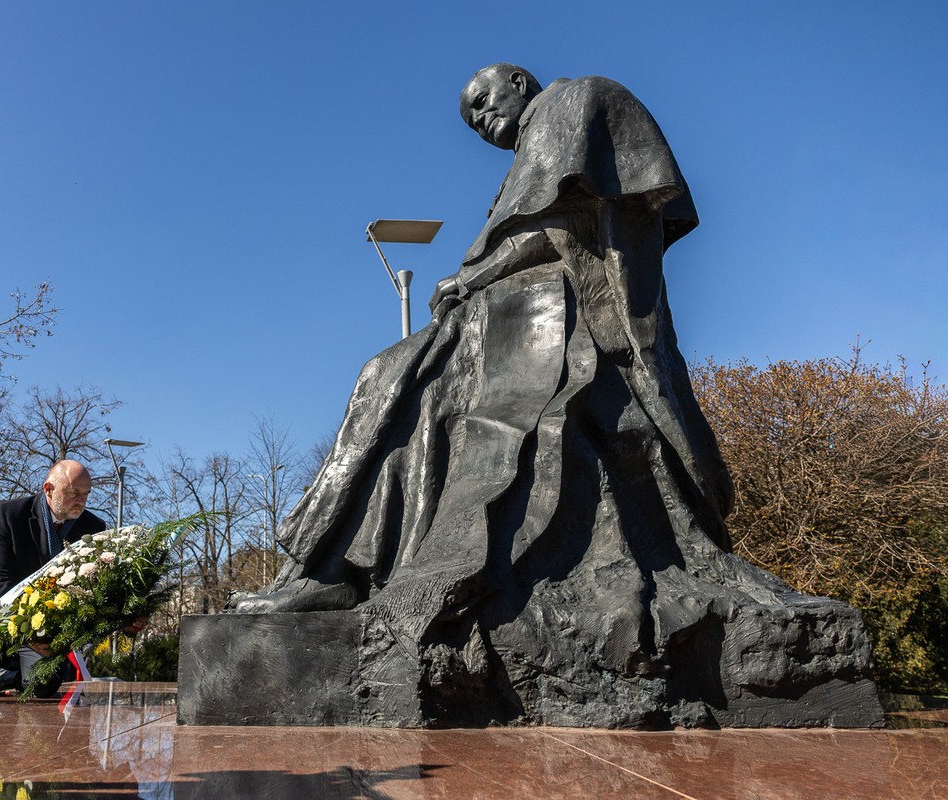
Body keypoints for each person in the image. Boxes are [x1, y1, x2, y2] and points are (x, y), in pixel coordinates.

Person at [234, 64, 747, 649]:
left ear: (519, 82)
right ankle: (328, 569)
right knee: (390, 381)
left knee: (399, 380)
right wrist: (472, 284)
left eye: (482, 102)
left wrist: (469, 278)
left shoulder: (574, 102)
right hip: (505, 318)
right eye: (470, 119)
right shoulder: (529, 154)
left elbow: (561, 223)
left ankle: (331, 570)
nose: (479, 121)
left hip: (556, 315)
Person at [0, 459, 106, 695]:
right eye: (74, 492)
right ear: (49, 489)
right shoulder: (9, 515)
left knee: (44, 683)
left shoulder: (93, 528)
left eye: (86, 494)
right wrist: (29, 632)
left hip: (43, 631)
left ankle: (7, 678)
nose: (81, 501)